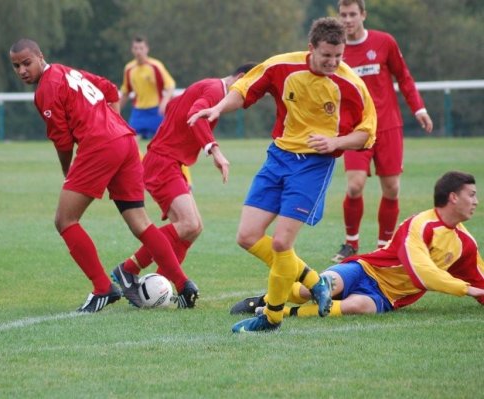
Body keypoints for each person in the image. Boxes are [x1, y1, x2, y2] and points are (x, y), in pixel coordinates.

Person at [189, 17, 377, 333]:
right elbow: (244, 88)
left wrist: (335, 142)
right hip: (278, 158)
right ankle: (315, 282)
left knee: (280, 243)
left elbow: (367, 133)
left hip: (313, 168)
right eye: (326, 56)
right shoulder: (281, 66)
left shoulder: (352, 86)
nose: (332, 63)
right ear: (311, 48)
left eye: (338, 56)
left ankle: (272, 317)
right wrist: (219, 108)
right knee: (247, 236)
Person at [9, 38, 199, 313]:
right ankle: (183, 284)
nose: (22, 70)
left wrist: (69, 174)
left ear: (40, 56)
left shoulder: (46, 90)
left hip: (100, 145)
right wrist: (111, 124)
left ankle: (103, 288)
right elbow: (111, 90)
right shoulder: (67, 71)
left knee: (65, 220)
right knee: (140, 223)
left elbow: (62, 142)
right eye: (16, 66)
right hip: (125, 140)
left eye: (27, 63)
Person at [234, 171, 484, 319]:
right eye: (471, 194)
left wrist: (476, 291)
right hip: (364, 269)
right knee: (311, 290)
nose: (476, 201)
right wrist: (464, 289)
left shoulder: (465, 244)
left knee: (359, 306)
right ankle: (265, 299)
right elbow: (422, 273)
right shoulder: (420, 225)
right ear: (453, 197)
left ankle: (287, 313)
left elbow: (480, 280)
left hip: (387, 296)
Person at [112, 63, 256, 308]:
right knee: (189, 224)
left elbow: (173, 107)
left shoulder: (208, 87)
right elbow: (196, 115)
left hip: (169, 161)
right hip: (163, 162)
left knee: (193, 228)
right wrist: (215, 152)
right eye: (249, 93)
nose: (246, 101)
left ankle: (160, 285)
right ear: (241, 79)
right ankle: (130, 270)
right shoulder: (215, 90)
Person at [331, 0, 434, 262]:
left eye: (353, 14)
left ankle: (384, 245)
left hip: (388, 126)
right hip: (355, 130)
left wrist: (419, 109)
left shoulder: (384, 42)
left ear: (363, 15)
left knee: (391, 188)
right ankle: (350, 243)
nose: (348, 20)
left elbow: (404, 77)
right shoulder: (335, 52)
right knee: (354, 187)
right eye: (343, 15)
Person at [119, 35, 176, 140]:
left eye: (141, 48)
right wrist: (116, 111)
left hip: (156, 111)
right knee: (129, 140)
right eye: (136, 48)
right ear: (132, 50)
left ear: (147, 49)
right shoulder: (129, 69)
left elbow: (170, 86)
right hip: (138, 112)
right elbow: (126, 92)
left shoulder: (155, 66)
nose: (138, 51)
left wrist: (164, 102)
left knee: (163, 141)